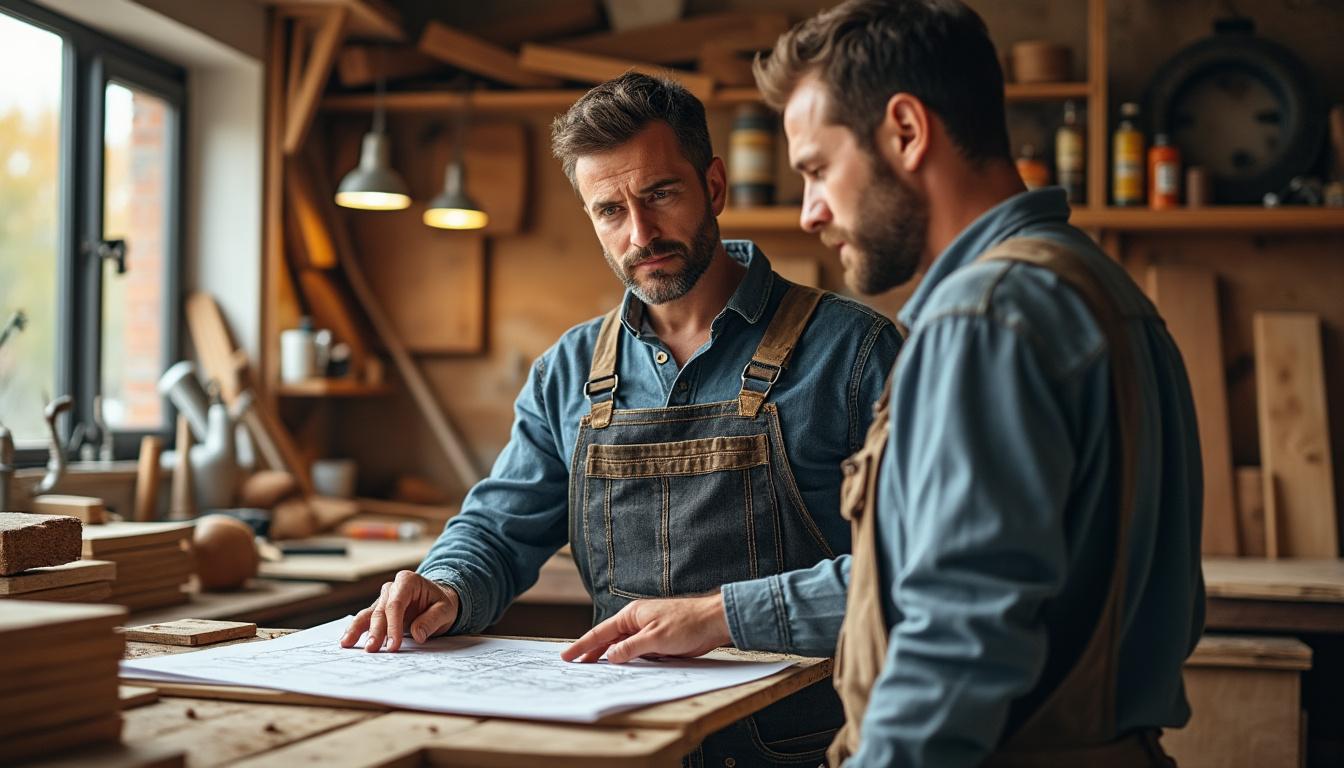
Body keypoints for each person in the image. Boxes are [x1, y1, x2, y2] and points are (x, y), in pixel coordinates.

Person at [562, 2, 1205, 766]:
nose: (811, 212)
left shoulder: (982, 320)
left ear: (905, 131)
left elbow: (950, 644)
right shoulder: (1098, 290)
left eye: (817, 169)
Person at [339, 72, 901, 766]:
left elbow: (911, 570)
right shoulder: (567, 370)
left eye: (660, 194)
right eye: (610, 210)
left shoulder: (855, 353)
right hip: (625, 743)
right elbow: (498, 530)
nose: (640, 234)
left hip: (807, 747)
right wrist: (447, 585)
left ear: (714, 187)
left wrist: (723, 616)